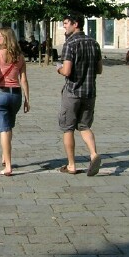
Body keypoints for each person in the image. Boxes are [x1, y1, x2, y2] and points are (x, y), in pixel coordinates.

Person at [56, 12, 102, 177]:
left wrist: (58, 68)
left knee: (68, 128)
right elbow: (99, 69)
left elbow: (67, 70)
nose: (65, 26)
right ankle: (93, 153)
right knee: (84, 126)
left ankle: (71, 165)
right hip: (90, 92)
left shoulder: (70, 44)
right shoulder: (94, 43)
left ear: (76, 24)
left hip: (73, 91)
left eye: (67, 23)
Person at [0, 27, 30, 177]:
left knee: (4, 129)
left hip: (2, 94)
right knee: (9, 126)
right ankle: (5, 156)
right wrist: (27, 99)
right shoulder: (20, 56)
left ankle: (8, 165)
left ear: (5, 38)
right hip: (16, 95)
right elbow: (23, 79)